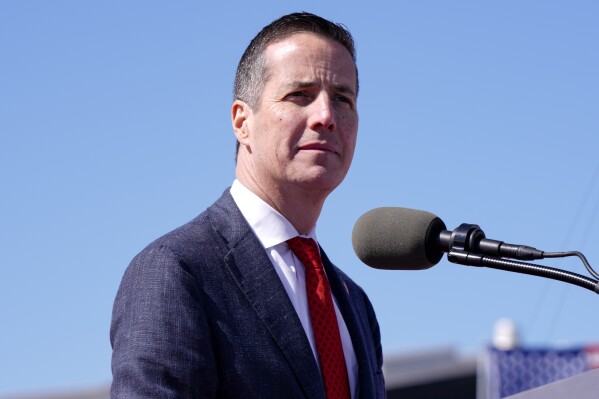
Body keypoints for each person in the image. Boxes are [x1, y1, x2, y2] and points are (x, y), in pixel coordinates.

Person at [110, 12, 386, 398]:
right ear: (242, 121)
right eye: (299, 95)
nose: (326, 116)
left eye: (343, 99)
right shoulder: (176, 270)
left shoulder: (355, 303)